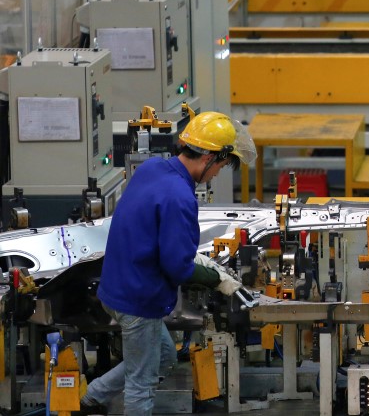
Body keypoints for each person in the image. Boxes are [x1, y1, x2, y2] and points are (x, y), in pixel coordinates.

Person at [79, 112, 257, 416]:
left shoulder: (152, 169)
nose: (217, 175)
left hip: (117, 285)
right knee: (141, 384)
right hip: (138, 301)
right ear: (209, 158)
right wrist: (216, 279)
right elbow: (177, 267)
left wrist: (193, 258)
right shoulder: (179, 197)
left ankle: (92, 397)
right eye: (221, 167)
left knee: (163, 356)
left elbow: (154, 233)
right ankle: (93, 400)